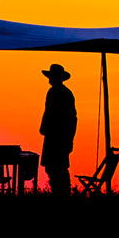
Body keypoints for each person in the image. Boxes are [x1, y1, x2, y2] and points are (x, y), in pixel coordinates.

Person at [39, 63, 77, 195]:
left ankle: (62, 195)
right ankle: (60, 193)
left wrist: (69, 140)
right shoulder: (54, 92)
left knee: (58, 169)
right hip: (53, 137)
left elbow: (72, 119)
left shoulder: (64, 94)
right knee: (53, 168)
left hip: (59, 139)